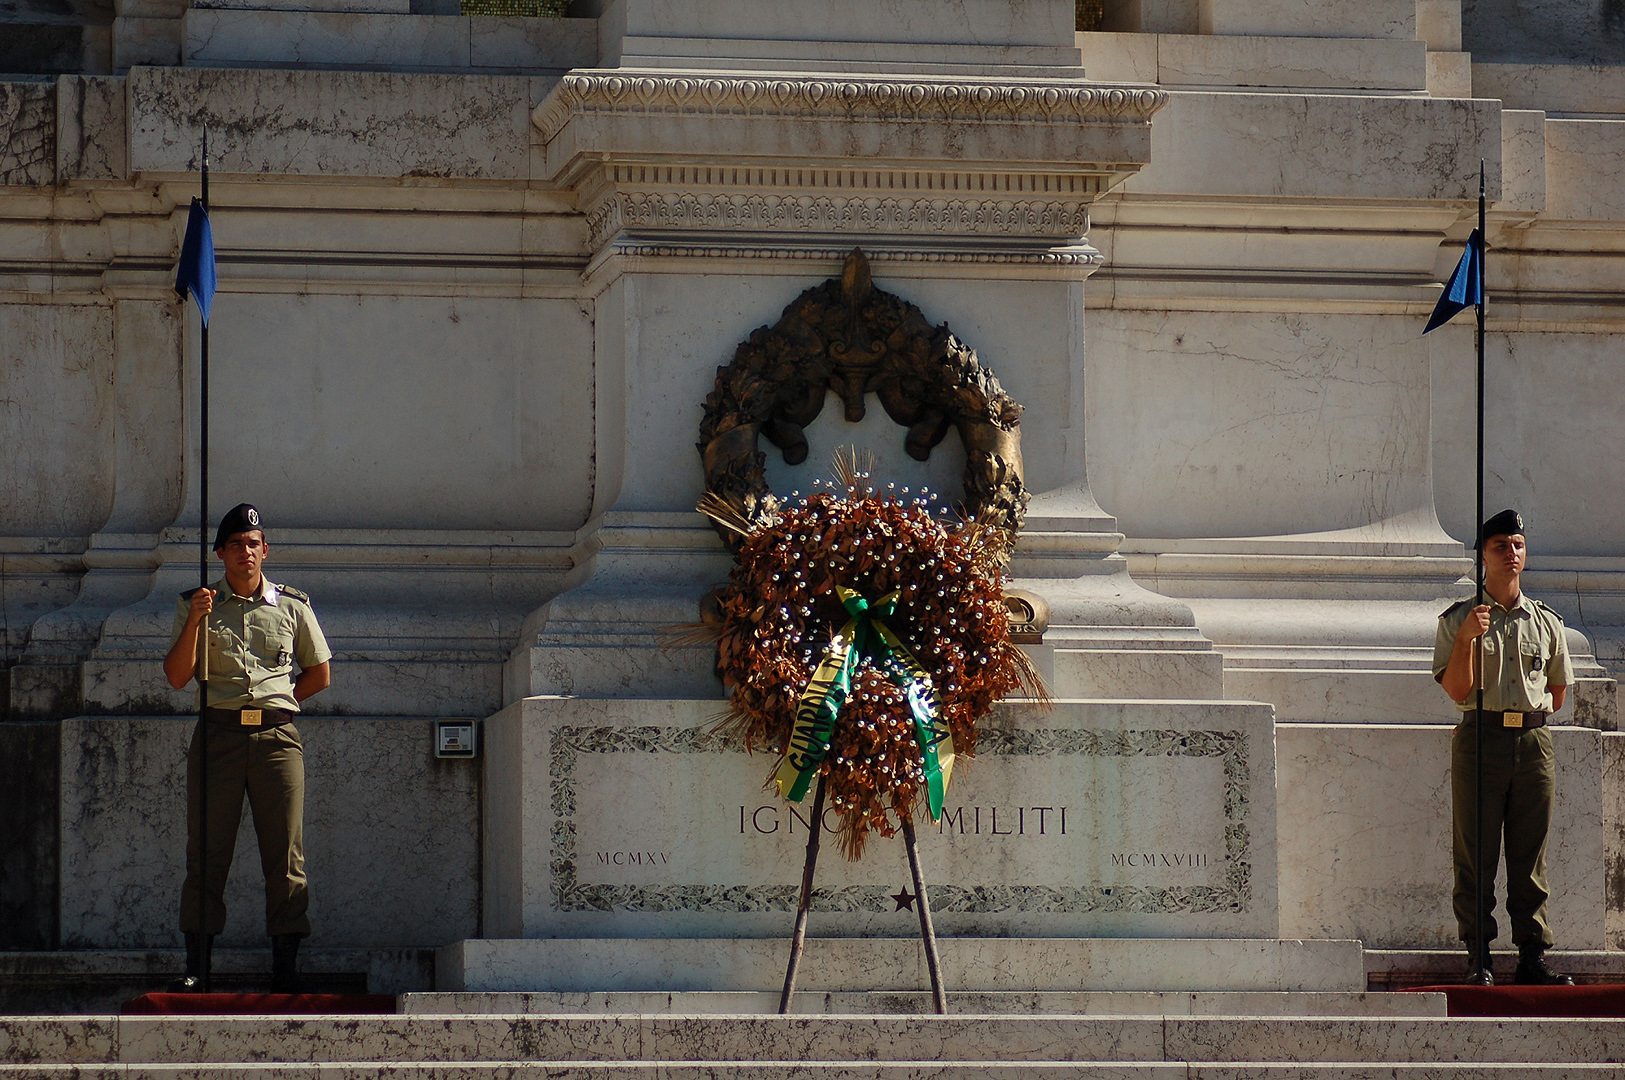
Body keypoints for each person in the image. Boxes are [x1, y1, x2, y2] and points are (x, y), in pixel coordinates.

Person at [162, 503, 332, 993]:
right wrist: (195, 620)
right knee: (207, 853)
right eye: (235, 545)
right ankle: (199, 968)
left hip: (276, 739)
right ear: (220, 553)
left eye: (253, 544)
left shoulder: (292, 606)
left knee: (285, 855)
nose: (245, 552)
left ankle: (286, 969)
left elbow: (319, 674)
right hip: (218, 735)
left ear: (265, 550)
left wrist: (282, 702)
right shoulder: (197, 602)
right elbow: (176, 678)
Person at [1434, 508, 1574, 986]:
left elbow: (1555, 694)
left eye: (1517, 545)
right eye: (1500, 546)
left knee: (1529, 854)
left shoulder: (1547, 622)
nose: (1511, 554)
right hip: (1481, 737)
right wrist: (1467, 641)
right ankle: (1480, 956)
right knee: (1476, 852)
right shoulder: (1460, 620)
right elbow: (1457, 691)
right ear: (1483, 558)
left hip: (1533, 741)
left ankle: (1532, 955)